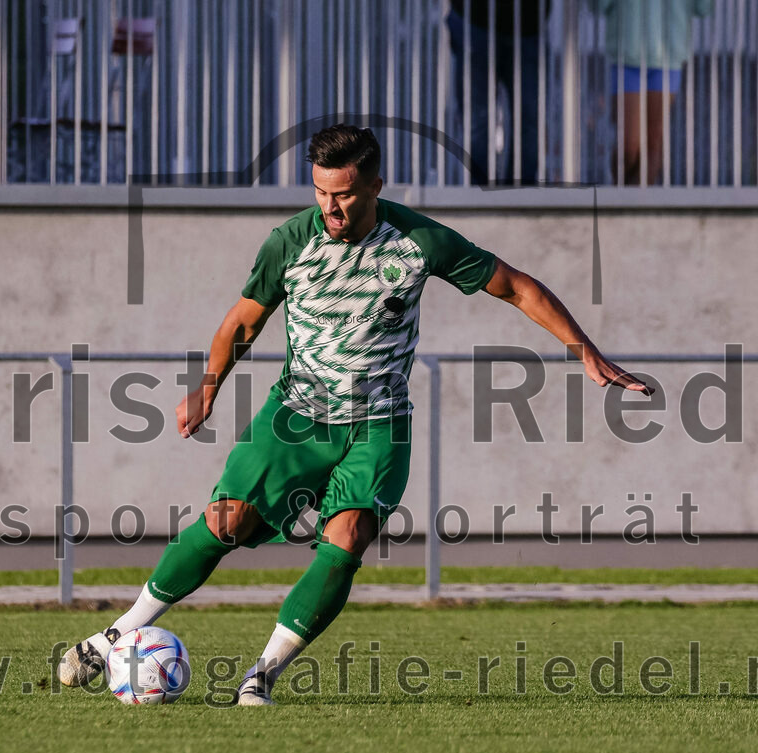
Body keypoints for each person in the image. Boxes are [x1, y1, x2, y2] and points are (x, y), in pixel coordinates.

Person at [56, 124, 650, 706]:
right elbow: (243, 321)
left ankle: (260, 675)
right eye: (320, 192)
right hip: (296, 416)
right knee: (227, 520)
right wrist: (208, 388)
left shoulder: (417, 241)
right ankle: (117, 633)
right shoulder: (290, 241)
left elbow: (517, 287)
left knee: (350, 536)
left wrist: (588, 355)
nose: (330, 207)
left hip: (379, 424)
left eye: (343, 194)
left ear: (375, 186)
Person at [600, 0, 714, 185]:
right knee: (629, 145)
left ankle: (636, 209)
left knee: (653, 141)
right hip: (627, 53)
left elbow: (703, 8)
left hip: (668, 53)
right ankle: (619, 199)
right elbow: (599, 6)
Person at [447, 0, 549, 185]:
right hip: (476, 18)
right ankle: (480, 194)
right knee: (477, 119)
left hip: (528, 24)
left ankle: (521, 196)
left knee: (530, 119)